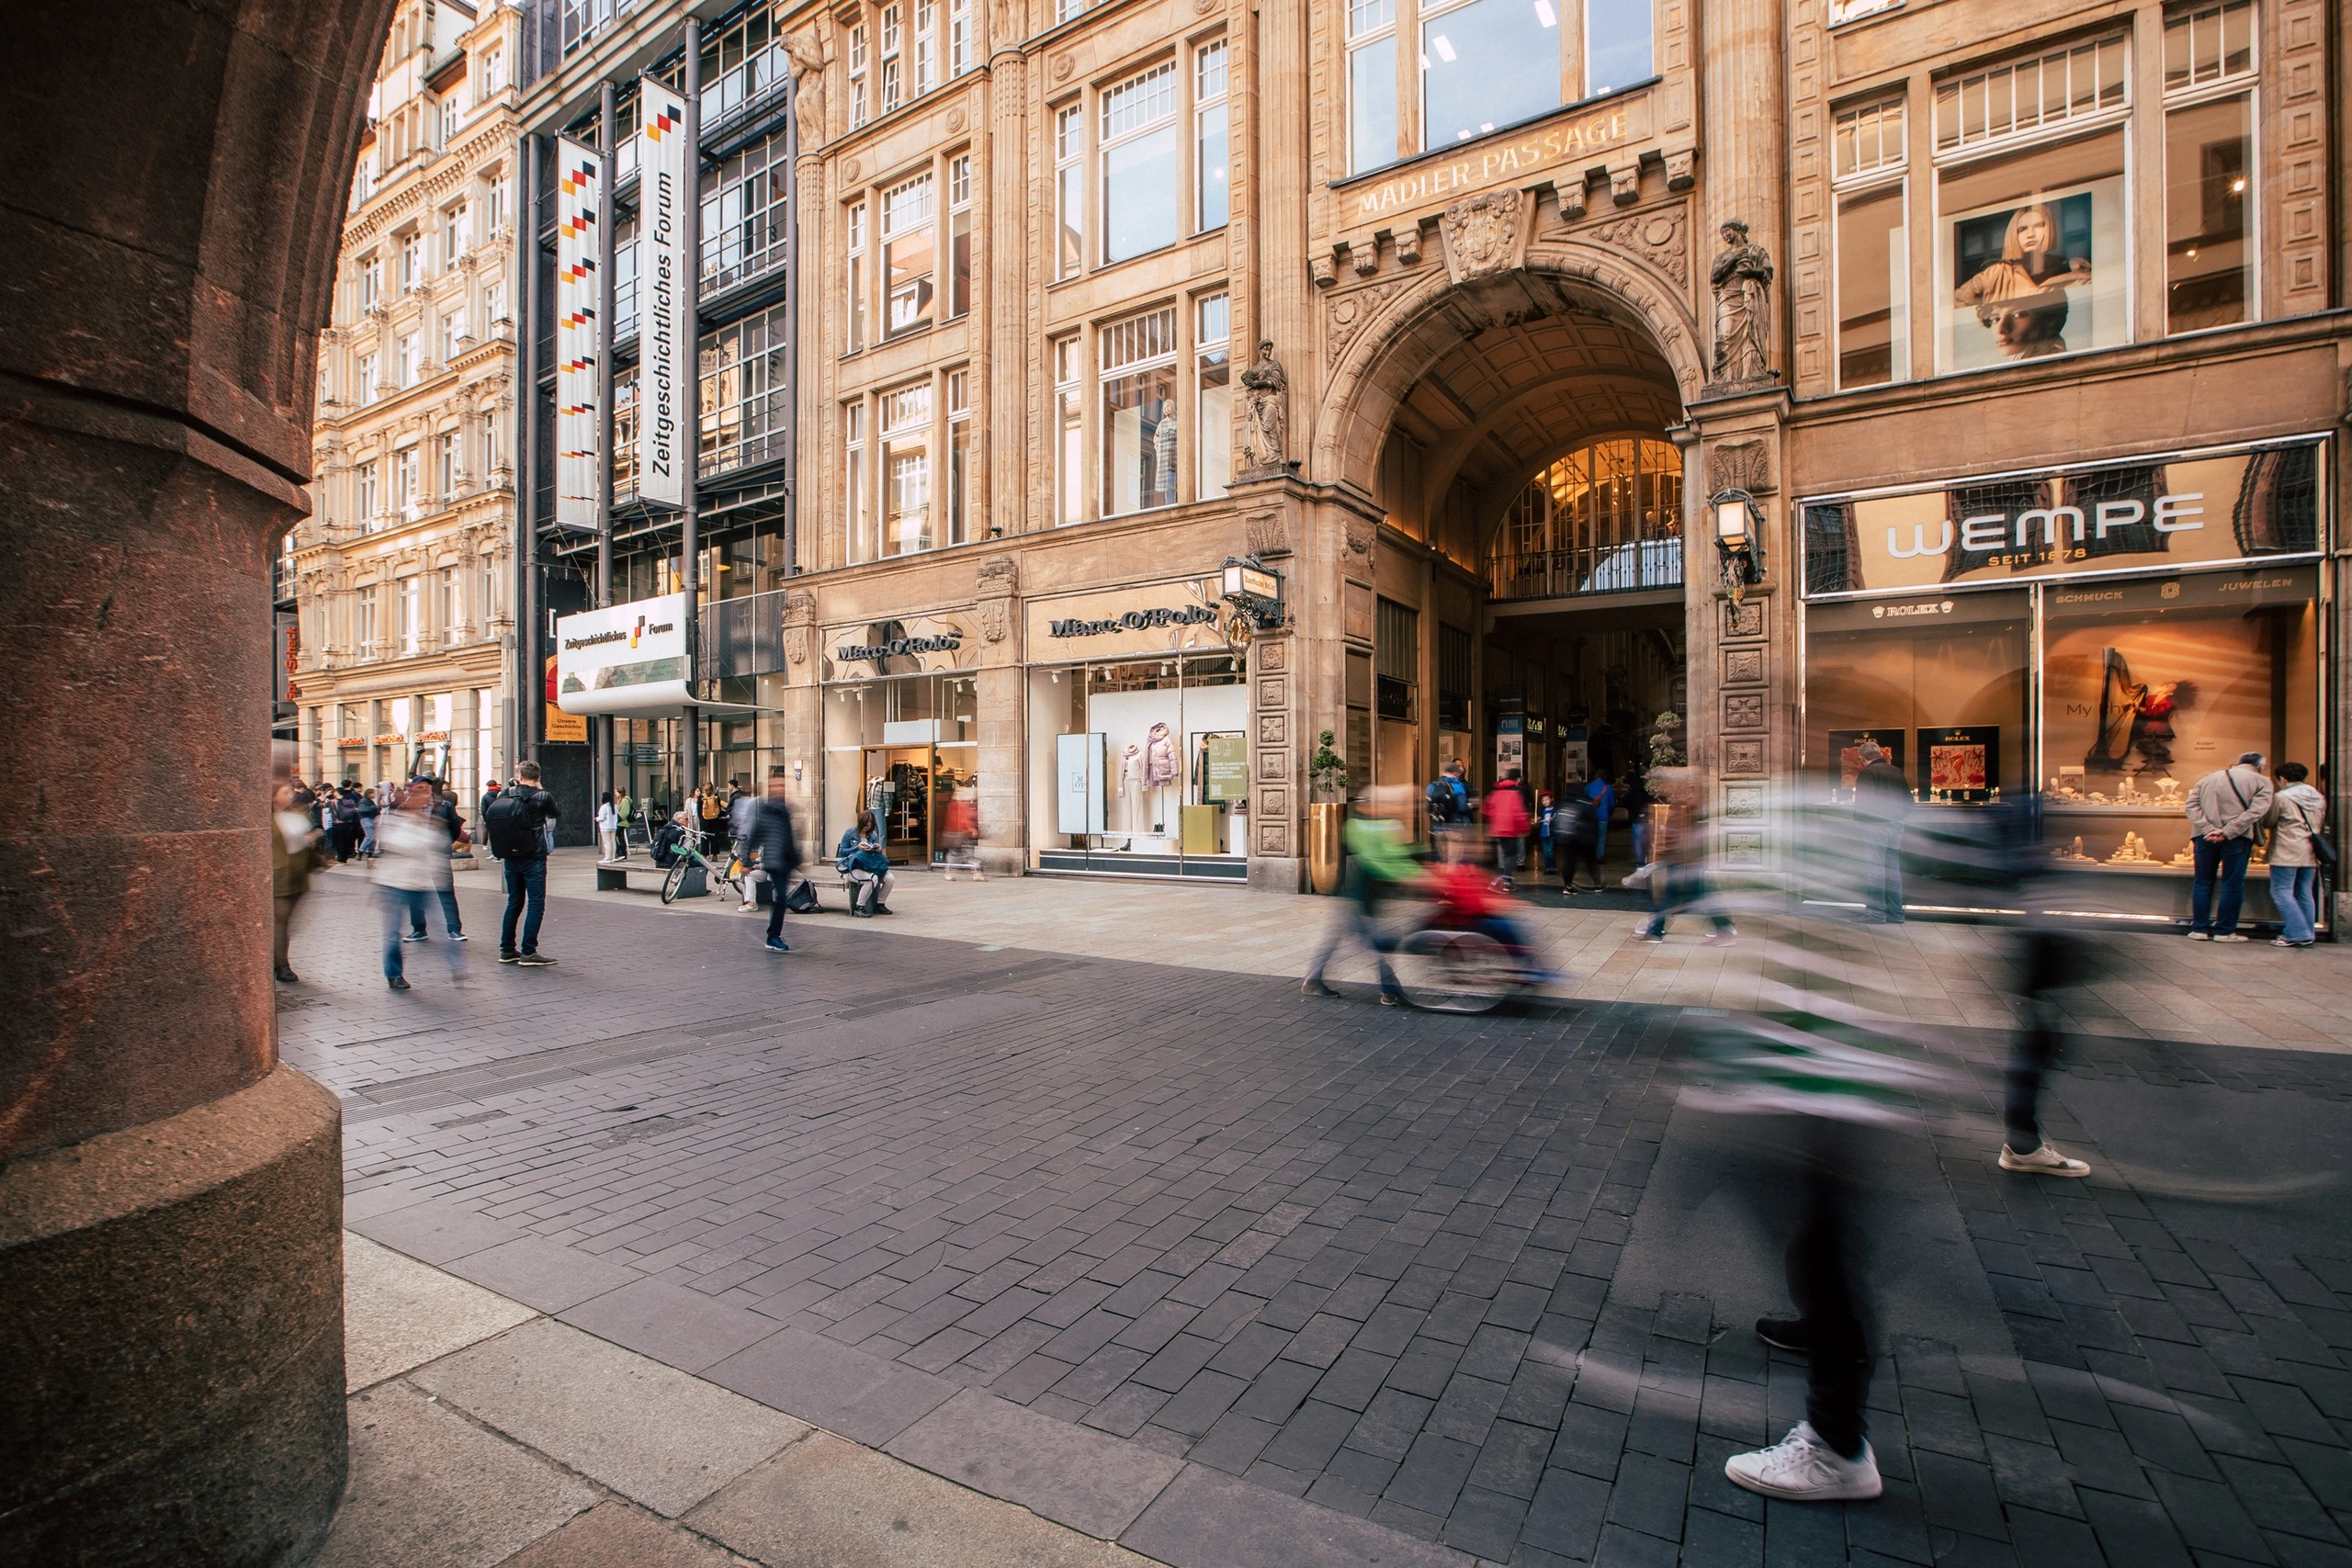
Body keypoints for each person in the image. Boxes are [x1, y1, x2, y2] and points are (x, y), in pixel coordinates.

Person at [1304, 785, 1422, 1006]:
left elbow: (1389, 856)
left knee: (1338, 940)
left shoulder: (1362, 826)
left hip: (1359, 897)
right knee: (1375, 945)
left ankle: (1314, 980)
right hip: (1363, 899)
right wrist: (1419, 876)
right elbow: (1386, 860)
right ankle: (1390, 991)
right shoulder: (1377, 828)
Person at [377, 780, 466, 990]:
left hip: (422, 881)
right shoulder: (394, 817)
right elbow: (396, 844)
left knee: (441, 926)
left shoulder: (439, 811)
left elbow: (441, 841)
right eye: (417, 793)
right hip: (395, 883)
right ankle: (394, 974)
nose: (422, 797)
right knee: (392, 932)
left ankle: (457, 967)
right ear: (408, 797)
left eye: (425, 792)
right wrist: (420, 828)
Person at [1636, 766, 1735, 944]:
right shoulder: (1679, 804)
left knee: (1697, 895)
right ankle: (1656, 931)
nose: (1666, 787)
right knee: (1673, 894)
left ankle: (1724, 929)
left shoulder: (1692, 803)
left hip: (1687, 859)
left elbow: (1696, 786)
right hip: (1678, 857)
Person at [2185, 751, 2273, 942]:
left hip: (2204, 836)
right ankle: (2225, 931)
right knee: (2232, 883)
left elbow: (2191, 806)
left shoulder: (2209, 778)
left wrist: (2209, 828)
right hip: (2237, 837)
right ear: (2261, 766)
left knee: (2202, 881)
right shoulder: (2262, 781)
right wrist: (2227, 831)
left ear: (2238, 762)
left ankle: (2199, 929)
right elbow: (2256, 811)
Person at [483, 760, 558, 965]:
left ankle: (506, 949)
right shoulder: (542, 795)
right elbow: (555, 814)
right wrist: (540, 789)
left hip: (510, 855)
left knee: (514, 902)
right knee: (535, 903)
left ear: (519, 776)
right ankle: (528, 952)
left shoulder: (505, 794)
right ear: (539, 778)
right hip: (533, 856)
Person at [2266, 761, 2325, 949]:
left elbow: (2270, 820)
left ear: (2282, 779)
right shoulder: (2317, 796)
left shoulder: (2282, 797)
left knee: (2281, 891)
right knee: (2304, 892)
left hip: (2286, 849)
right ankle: (2308, 932)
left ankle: (2297, 933)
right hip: (2310, 850)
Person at [271, 780, 325, 984]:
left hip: (298, 874)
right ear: (273, 796)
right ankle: (282, 965)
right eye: (285, 792)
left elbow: (305, 842)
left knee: (285, 922)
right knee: (281, 921)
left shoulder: (297, 815)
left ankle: (276, 958)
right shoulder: (266, 820)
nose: (291, 795)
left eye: (291, 792)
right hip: (278, 877)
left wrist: (312, 840)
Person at [1852, 741, 1911, 924]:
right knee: (1893, 871)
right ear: (1879, 754)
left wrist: (1860, 819)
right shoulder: (1896, 771)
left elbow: (1863, 804)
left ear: (1863, 758)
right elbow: (1909, 802)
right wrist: (1897, 816)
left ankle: (1876, 914)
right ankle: (1896, 913)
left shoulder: (1867, 773)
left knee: (1875, 870)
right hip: (1896, 825)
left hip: (1876, 826)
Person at [402, 777, 467, 943]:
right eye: (420, 786)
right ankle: (418, 929)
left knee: (446, 893)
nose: (425, 789)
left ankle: (454, 929)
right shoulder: (407, 807)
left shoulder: (444, 806)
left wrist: (444, 845)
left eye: (427, 786)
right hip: (415, 856)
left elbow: (454, 828)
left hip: (437, 855)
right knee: (415, 892)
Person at [746, 768, 802, 953]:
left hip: (785, 861)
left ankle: (774, 934)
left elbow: (788, 836)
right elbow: (755, 834)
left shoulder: (785, 809)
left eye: (782, 786)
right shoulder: (767, 810)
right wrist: (746, 860)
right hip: (773, 860)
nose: (780, 789)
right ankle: (773, 936)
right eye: (777, 786)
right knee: (780, 898)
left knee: (780, 898)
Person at [836, 810, 895, 916]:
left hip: (870, 867)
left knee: (890, 878)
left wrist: (878, 849)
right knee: (872, 878)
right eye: (865, 825)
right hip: (853, 869)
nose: (867, 828)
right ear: (860, 823)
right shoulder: (850, 833)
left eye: (869, 826)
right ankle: (860, 907)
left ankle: (879, 904)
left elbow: (873, 853)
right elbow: (842, 851)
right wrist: (857, 847)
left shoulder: (872, 835)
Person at [1555, 782, 1603, 895]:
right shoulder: (1586, 803)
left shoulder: (1564, 803)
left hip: (1568, 838)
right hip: (1584, 839)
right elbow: (1593, 822)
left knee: (1569, 862)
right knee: (1591, 862)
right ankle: (1597, 885)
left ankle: (1567, 886)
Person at [1485, 770, 1531, 886]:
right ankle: (1506, 882)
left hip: (1497, 828)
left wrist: (1494, 822)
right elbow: (1518, 812)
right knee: (1511, 855)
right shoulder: (1516, 792)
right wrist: (1525, 827)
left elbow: (1487, 808)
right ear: (1517, 779)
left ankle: (1498, 879)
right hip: (1510, 828)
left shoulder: (1496, 790)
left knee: (1503, 854)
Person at [1425, 761, 1472, 859]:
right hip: (1455, 828)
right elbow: (1462, 807)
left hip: (1438, 828)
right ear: (1456, 773)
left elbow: (1427, 807)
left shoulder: (1432, 786)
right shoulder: (1458, 787)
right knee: (1453, 860)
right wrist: (1469, 806)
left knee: (1443, 859)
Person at [729, 780, 763, 908]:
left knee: (747, 874)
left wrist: (756, 865)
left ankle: (751, 902)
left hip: (771, 867)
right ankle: (749, 901)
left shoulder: (754, 804)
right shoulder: (751, 803)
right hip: (747, 839)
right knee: (744, 873)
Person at [596, 790, 620, 863]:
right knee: (613, 842)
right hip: (613, 826)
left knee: (607, 843)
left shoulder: (604, 807)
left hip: (605, 827)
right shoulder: (615, 806)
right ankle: (612, 857)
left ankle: (608, 857)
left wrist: (597, 819)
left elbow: (601, 818)